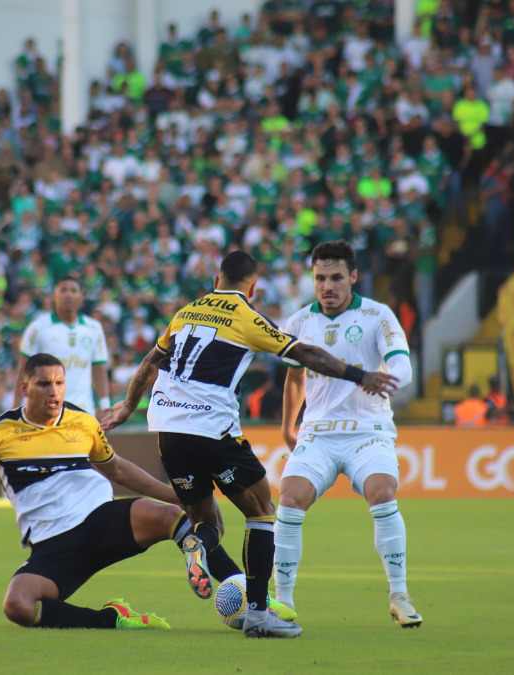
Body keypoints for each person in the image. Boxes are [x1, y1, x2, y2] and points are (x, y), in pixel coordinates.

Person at [102, 251, 398, 638]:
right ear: (253, 287)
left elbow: (151, 361)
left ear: (215, 279)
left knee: (208, 522)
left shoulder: (185, 312)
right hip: (212, 429)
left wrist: (127, 405)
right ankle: (258, 613)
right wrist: (360, 374)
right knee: (261, 511)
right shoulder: (245, 317)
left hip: (166, 431)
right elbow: (304, 354)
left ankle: (197, 544)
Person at [0, 353, 195, 630]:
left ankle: (235, 587)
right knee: (18, 606)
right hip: (52, 544)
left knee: (173, 517)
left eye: (60, 383)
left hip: (99, 521)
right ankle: (112, 619)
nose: (54, 391)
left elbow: (116, 468)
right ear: (25, 388)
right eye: (45, 383)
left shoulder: (83, 421)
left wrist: (176, 494)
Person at [273, 241, 421, 627]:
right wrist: (289, 425)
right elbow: (293, 378)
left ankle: (399, 595)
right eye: (320, 278)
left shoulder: (378, 315)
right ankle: (282, 602)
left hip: (367, 432)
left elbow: (402, 365)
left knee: (382, 490)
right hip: (318, 434)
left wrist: (390, 380)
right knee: (289, 499)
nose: (328, 286)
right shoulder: (299, 322)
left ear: (353, 277)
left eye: (336, 277)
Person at [16, 278, 111, 415]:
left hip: (82, 411)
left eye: (73, 291)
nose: (68, 295)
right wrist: (16, 408)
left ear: (81, 298)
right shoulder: (38, 328)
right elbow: (23, 370)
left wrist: (105, 406)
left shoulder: (94, 328)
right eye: (63, 290)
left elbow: (99, 369)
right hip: (44, 411)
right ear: (54, 296)